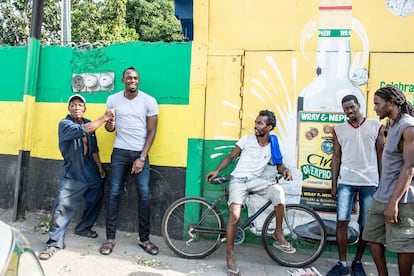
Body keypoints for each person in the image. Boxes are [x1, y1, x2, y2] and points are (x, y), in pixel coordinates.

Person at [206, 110, 293, 276]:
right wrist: (217, 170)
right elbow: (230, 157)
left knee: (278, 193)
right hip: (238, 180)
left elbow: (279, 165)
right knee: (235, 216)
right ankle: (229, 258)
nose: (256, 125)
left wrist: (285, 170)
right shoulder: (246, 140)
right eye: (256, 122)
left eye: (260, 123)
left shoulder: (273, 144)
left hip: (255, 181)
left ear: (269, 127)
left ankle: (278, 232)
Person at [39, 94, 115, 260]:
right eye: (73, 105)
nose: (76, 108)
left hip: (89, 166)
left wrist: (100, 168)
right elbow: (84, 130)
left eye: (80, 105)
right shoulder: (65, 124)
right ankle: (53, 243)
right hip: (73, 168)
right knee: (63, 205)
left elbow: (94, 148)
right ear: (69, 108)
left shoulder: (88, 122)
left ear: (84, 108)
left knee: (96, 195)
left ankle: (83, 228)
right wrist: (105, 117)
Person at [100, 67, 159, 256]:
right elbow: (110, 128)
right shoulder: (113, 100)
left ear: (138, 80)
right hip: (119, 152)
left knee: (145, 194)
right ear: (123, 80)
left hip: (140, 153)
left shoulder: (149, 101)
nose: (132, 80)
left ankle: (144, 239)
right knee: (114, 192)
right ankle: (110, 238)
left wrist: (142, 157)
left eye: (135, 78)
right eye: (129, 78)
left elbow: (152, 132)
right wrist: (109, 125)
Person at [327, 95, 384, 276]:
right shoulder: (339, 130)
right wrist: (334, 183)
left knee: (366, 226)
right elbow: (336, 158)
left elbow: (381, 155)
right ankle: (342, 263)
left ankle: (357, 261)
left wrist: (382, 183)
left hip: (370, 182)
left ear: (359, 105)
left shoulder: (375, 126)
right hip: (346, 181)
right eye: (346, 109)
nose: (349, 111)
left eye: (352, 107)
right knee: (342, 221)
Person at [362, 85, 414, 276]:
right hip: (382, 194)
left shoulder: (408, 126)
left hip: (402, 199)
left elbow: (410, 166)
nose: (375, 108)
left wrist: (394, 203)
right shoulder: (390, 124)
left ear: (391, 103)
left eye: (377, 104)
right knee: (371, 236)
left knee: (403, 244)